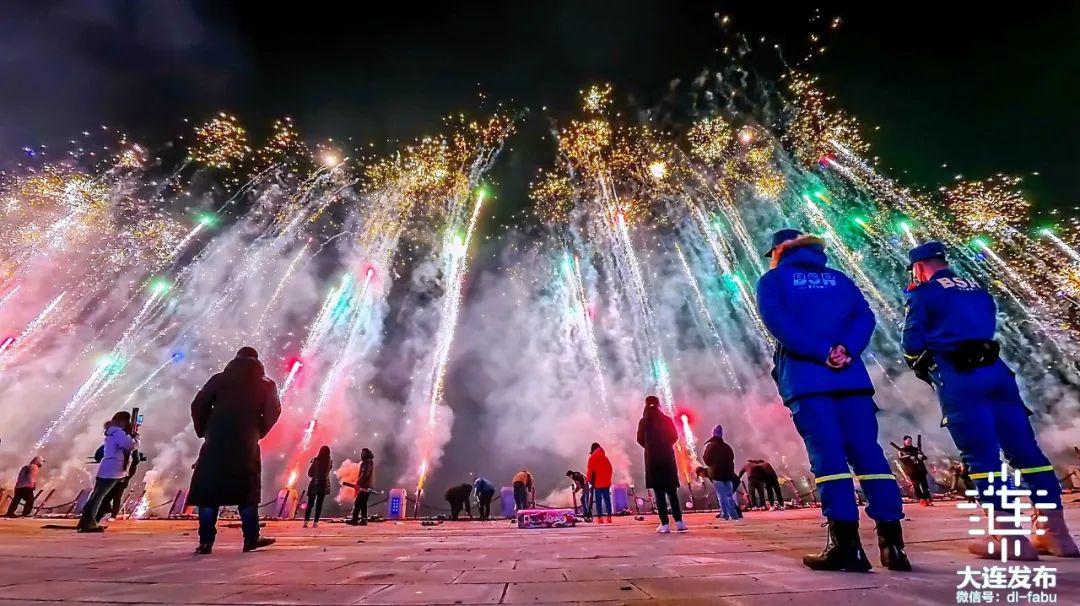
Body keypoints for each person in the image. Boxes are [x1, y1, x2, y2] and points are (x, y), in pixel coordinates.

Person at [903, 241, 1078, 559]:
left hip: (958, 375)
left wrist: (928, 371)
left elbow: (911, 345)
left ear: (918, 267)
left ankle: (1008, 537)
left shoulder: (922, 293)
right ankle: (1056, 533)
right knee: (1028, 453)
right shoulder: (978, 290)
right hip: (997, 372)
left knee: (982, 458)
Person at [757, 229, 909, 572]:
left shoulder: (774, 281)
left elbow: (777, 323)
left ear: (782, 249)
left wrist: (819, 351)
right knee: (869, 455)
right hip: (852, 379)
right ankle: (893, 545)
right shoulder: (839, 279)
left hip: (809, 381)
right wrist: (846, 350)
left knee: (829, 462)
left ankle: (847, 546)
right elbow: (865, 318)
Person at [187, 347, 281, 554]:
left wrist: (204, 429)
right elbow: (274, 412)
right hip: (246, 443)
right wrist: (257, 431)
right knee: (247, 492)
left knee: (208, 493)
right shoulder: (266, 384)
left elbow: (198, 404)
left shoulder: (218, 379)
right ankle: (251, 538)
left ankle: (205, 542)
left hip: (216, 440)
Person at [78, 412, 139, 532]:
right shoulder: (118, 432)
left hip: (109, 468)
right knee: (99, 498)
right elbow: (130, 445)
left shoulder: (113, 431)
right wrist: (136, 437)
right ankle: (88, 523)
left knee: (98, 497)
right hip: (113, 469)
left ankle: (87, 522)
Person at [636, 396, 687, 534]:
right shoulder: (666, 420)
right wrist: (665, 445)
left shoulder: (643, 421)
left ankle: (664, 524)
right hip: (667, 458)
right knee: (672, 493)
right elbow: (675, 436)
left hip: (653, 460)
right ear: (659, 405)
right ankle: (679, 522)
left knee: (659, 494)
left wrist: (649, 447)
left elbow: (639, 439)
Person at [702, 426, 740, 520]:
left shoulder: (710, 446)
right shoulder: (727, 446)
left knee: (721, 495)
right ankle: (734, 514)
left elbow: (706, 459)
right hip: (728, 473)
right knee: (729, 494)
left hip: (716, 474)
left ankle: (725, 514)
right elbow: (732, 458)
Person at [896, 436, 932, 506]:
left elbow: (924, 457)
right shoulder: (901, 450)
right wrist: (909, 457)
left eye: (910, 440)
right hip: (912, 471)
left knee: (925, 485)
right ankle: (921, 499)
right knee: (916, 486)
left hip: (921, 470)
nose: (910, 442)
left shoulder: (916, 449)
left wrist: (921, 456)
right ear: (904, 441)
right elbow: (900, 458)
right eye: (908, 440)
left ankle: (927, 498)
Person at [304, 445, 332, 528]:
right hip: (324, 485)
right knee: (319, 505)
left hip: (314, 484)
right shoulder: (330, 462)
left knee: (310, 504)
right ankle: (315, 522)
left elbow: (309, 473)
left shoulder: (316, 461)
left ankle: (306, 522)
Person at [587, 442, 614, 523]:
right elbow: (610, 469)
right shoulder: (605, 458)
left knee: (598, 501)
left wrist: (589, 480)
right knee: (607, 500)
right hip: (606, 483)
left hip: (597, 483)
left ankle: (600, 518)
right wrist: (608, 479)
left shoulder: (592, 458)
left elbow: (590, 471)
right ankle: (609, 517)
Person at [348, 448, 375, 526]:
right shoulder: (369, 462)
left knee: (358, 503)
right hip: (366, 486)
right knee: (363, 503)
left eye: (363, 453)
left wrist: (358, 483)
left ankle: (355, 519)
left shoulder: (367, 462)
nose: (361, 454)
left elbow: (365, 474)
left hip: (365, 486)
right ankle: (363, 519)